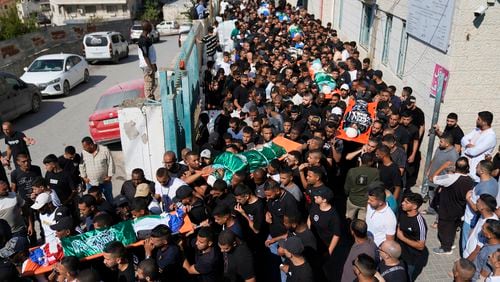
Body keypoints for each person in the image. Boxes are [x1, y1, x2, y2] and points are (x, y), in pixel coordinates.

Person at [433, 157, 475, 255]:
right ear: (467, 167)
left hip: (447, 209)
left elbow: (433, 178)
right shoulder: (470, 179)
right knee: (452, 227)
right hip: (460, 208)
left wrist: (443, 167)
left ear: (455, 167)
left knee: (444, 228)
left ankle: (446, 248)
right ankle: (450, 243)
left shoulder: (449, 177)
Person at [397, 193, 428, 281]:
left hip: (410, 258)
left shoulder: (419, 223)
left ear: (414, 207)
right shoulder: (402, 211)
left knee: (407, 277)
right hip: (399, 252)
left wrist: (402, 238)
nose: (402, 203)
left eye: (406, 202)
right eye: (403, 201)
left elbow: (421, 246)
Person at [461, 111, 497, 182]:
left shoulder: (490, 137)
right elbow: (463, 139)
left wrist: (466, 148)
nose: (476, 121)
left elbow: (473, 152)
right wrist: (468, 145)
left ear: (484, 122)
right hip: (465, 171)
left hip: (474, 174)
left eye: (478, 119)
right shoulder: (476, 130)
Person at [344, 152, 379, 220]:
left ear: (361, 160)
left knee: (349, 219)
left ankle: (350, 230)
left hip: (352, 200)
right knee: (361, 223)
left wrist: (348, 195)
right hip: (365, 202)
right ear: (371, 162)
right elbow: (376, 188)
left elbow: (346, 188)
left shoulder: (352, 171)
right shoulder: (376, 172)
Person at [80, 136, 115, 202]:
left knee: (110, 199)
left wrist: (110, 176)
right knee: (93, 201)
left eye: (85, 146)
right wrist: (84, 177)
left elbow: (110, 162)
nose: (83, 148)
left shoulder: (104, 150)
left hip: (105, 182)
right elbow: (81, 165)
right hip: (91, 183)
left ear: (91, 145)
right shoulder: (83, 153)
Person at [464, 194, 498, 259]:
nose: (475, 203)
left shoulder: (489, 225)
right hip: (468, 252)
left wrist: (467, 261)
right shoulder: (483, 215)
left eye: (477, 202)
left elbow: (478, 249)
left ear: (482, 207)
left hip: (472, 258)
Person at [138, 20, 157, 100]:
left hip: (150, 64)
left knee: (152, 85)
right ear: (147, 28)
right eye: (150, 26)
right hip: (147, 66)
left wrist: (154, 65)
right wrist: (150, 68)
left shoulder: (146, 38)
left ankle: (152, 100)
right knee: (148, 85)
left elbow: (151, 54)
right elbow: (145, 55)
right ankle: (150, 102)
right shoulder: (143, 40)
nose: (151, 28)